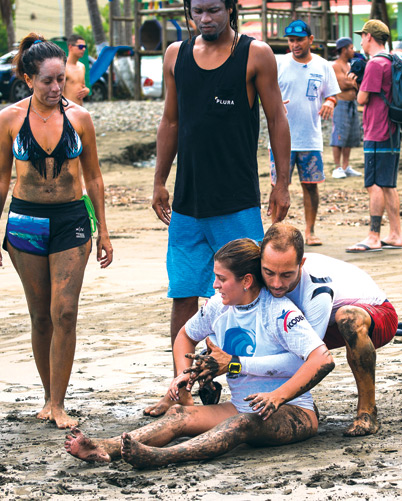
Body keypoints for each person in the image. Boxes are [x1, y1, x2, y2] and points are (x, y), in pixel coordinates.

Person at [64, 239, 336, 467]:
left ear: (246, 280)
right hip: (239, 405)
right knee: (178, 415)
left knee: (241, 424)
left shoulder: (280, 312)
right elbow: (185, 335)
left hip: (295, 413)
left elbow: (322, 358)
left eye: (221, 278)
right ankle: (104, 447)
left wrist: (277, 396)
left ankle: (160, 457)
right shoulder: (218, 306)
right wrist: (184, 374)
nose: (215, 285)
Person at [144, 0, 291, 415]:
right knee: (184, 296)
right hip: (188, 205)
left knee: (246, 296)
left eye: (213, 10)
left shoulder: (255, 54)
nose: (205, 19)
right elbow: (170, 121)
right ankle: (181, 390)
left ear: (230, 8)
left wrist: (282, 182)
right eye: (197, 12)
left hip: (237, 202)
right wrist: (159, 180)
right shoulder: (176, 55)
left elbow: (277, 117)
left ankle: (247, 389)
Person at [147, 224, 397, 436]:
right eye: (269, 273)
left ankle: (367, 410)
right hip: (323, 322)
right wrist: (200, 369)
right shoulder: (262, 276)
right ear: (259, 263)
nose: (277, 283)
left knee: (347, 320)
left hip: (372, 313)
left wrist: (235, 365)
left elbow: (308, 361)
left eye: (287, 274)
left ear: (302, 263)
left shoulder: (316, 293)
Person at [0, 34, 113, 428]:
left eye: (61, 80)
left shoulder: (80, 118)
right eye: (47, 81)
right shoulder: (9, 119)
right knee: (41, 316)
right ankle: (46, 396)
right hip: (25, 222)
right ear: (28, 79)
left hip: (72, 220)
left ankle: (59, 403)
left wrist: (104, 230)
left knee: (66, 311)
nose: (56, 88)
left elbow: (93, 176)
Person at [273, 19, 340, 247]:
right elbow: (263, 92)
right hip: (281, 139)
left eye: (299, 40)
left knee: (311, 185)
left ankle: (310, 230)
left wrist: (330, 102)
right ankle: (275, 230)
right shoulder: (278, 64)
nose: (295, 45)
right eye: (291, 40)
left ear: (311, 40)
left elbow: (332, 94)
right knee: (278, 185)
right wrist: (275, 103)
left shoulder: (323, 65)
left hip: (310, 137)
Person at [345, 19, 402, 253]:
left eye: (362, 36)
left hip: (376, 129)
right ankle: (396, 234)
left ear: (369, 36)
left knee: (374, 184)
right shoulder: (391, 61)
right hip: (391, 129)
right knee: (388, 184)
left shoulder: (375, 65)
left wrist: (355, 83)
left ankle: (374, 236)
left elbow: (362, 99)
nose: (361, 40)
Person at [330, 37, 362, 179]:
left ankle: (346, 165)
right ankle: (337, 167)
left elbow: (355, 82)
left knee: (349, 135)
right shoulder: (336, 65)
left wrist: (352, 81)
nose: (353, 50)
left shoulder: (349, 66)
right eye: (350, 48)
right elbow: (342, 85)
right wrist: (354, 82)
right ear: (344, 50)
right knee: (339, 135)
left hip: (351, 103)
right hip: (340, 103)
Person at [62, 34, 89, 105]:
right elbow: (58, 93)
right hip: (67, 111)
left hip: (80, 109)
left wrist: (86, 90)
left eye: (84, 47)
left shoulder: (82, 66)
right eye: (80, 47)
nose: (83, 49)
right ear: (70, 47)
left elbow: (83, 86)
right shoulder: (63, 67)